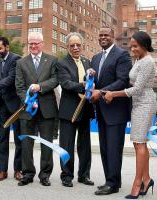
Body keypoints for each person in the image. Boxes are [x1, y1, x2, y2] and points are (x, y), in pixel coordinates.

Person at [104, 31, 156, 199]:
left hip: (144, 104)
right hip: (137, 104)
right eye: (131, 46)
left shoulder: (147, 61)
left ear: (145, 46)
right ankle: (147, 179)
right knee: (139, 144)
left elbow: (137, 89)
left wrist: (113, 93)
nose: (132, 49)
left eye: (136, 46)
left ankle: (137, 183)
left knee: (139, 143)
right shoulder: (139, 60)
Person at [90, 27, 132, 195]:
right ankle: (110, 180)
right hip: (101, 110)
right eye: (100, 35)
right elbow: (94, 82)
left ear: (113, 37)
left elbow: (123, 80)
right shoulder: (95, 58)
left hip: (116, 110)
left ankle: (113, 184)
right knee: (105, 148)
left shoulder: (122, 55)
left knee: (114, 148)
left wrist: (101, 92)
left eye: (106, 35)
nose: (103, 37)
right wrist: (90, 81)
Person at [15, 32, 58, 186]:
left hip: (47, 108)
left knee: (46, 143)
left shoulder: (52, 60)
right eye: (30, 43)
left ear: (42, 44)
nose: (33, 46)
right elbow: (19, 87)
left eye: (36, 43)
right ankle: (27, 174)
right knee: (26, 143)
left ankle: (45, 175)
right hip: (27, 110)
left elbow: (55, 80)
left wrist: (40, 87)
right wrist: (28, 101)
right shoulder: (21, 63)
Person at [57, 32, 94, 187]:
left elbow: (91, 81)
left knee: (85, 146)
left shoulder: (87, 62)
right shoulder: (62, 63)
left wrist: (92, 79)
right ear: (67, 47)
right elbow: (65, 83)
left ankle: (84, 175)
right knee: (66, 145)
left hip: (85, 109)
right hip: (69, 110)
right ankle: (66, 176)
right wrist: (85, 85)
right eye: (72, 45)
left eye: (78, 44)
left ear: (82, 45)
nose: (76, 47)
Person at [0, 36, 22, 181]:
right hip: (2, 106)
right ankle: (2, 170)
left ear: (7, 47)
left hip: (16, 105)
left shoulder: (16, 60)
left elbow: (10, 80)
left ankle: (18, 170)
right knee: (2, 138)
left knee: (19, 138)